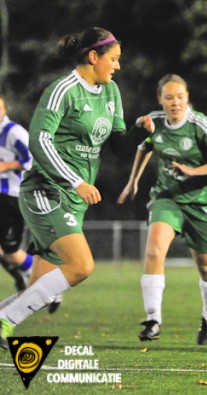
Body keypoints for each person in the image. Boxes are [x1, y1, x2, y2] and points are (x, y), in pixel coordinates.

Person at [0, 27, 127, 350]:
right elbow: (39, 141)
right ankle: (4, 322)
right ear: (93, 57)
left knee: (42, 289)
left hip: (73, 201)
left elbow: (119, 145)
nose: (118, 66)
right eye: (113, 59)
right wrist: (76, 181)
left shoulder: (111, 92)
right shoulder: (63, 90)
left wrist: (146, 135)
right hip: (46, 191)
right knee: (82, 266)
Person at [117, 74, 207, 346]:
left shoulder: (200, 125)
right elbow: (146, 145)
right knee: (154, 250)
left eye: (180, 97)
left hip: (201, 202)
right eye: (169, 97)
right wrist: (133, 181)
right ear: (160, 100)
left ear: (188, 98)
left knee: (206, 265)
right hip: (167, 197)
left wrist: (195, 171)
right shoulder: (156, 122)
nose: (175, 102)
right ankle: (153, 319)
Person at [0, 95, 34, 291]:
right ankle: (21, 277)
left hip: (12, 197)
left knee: (11, 251)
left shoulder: (14, 132)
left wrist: (7, 165)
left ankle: (45, 281)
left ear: (5, 110)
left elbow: (32, 159)